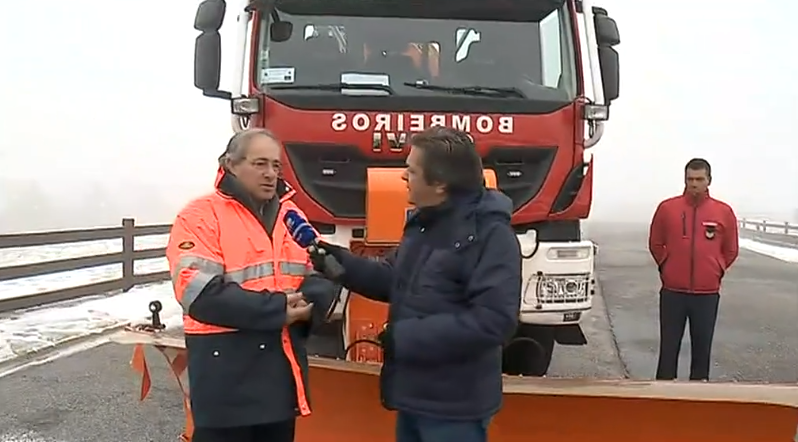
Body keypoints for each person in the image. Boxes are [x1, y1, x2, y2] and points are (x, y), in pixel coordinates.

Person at [311, 126, 522, 442]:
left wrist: (406, 338)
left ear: (439, 184)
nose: (403, 177)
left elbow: (494, 321)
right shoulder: (424, 226)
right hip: (413, 399)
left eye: (411, 170)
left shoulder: (491, 237)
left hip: (455, 411)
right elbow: (394, 279)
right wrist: (340, 264)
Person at [166, 128, 338, 442]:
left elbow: (325, 269)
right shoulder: (200, 216)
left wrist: (309, 306)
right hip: (225, 390)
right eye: (260, 164)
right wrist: (279, 310)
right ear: (231, 164)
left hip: (279, 385)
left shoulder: (291, 215)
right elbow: (197, 293)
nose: (271, 174)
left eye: (276, 166)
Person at [648, 158, 739, 381]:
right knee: (668, 348)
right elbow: (655, 243)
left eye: (699, 179)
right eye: (690, 179)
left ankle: (699, 396)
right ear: (685, 180)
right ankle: (664, 397)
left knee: (702, 349)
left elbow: (731, 249)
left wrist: (716, 269)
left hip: (706, 294)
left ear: (709, 180)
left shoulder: (723, 212)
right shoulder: (668, 208)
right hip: (673, 292)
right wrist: (666, 266)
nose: (694, 184)